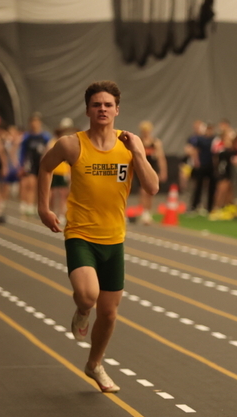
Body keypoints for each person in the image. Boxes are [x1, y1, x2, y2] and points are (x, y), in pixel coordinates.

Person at [38, 81, 158, 393]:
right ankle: (81, 310)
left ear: (117, 110)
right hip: (80, 234)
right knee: (89, 296)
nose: (102, 109)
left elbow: (152, 187)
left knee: (109, 312)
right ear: (88, 110)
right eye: (97, 105)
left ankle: (95, 363)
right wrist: (43, 207)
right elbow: (45, 167)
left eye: (108, 105)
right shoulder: (72, 145)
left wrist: (138, 155)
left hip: (114, 239)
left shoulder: (131, 144)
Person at [19, 115, 51, 215]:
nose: (34, 124)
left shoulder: (45, 136)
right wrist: (21, 164)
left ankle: (41, 205)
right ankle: (29, 205)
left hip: (42, 163)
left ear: (39, 123)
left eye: (36, 122)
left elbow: (50, 148)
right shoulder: (27, 137)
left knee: (41, 186)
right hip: (31, 163)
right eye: (32, 122)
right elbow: (23, 152)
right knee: (31, 184)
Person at [185, 120, 216, 214]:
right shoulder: (200, 139)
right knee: (198, 186)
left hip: (211, 166)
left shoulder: (214, 140)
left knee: (211, 187)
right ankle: (194, 206)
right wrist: (196, 161)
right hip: (202, 165)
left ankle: (210, 207)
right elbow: (194, 150)